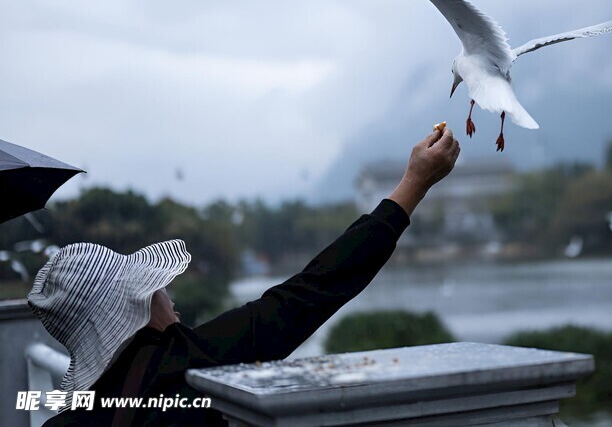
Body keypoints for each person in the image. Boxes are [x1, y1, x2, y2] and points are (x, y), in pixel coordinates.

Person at [28, 127, 460, 426]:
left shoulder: (67, 420)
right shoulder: (195, 359)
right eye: (153, 286)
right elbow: (313, 289)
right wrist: (413, 184)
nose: (168, 293)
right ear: (137, 307)